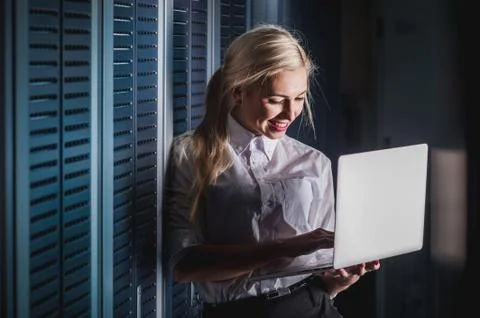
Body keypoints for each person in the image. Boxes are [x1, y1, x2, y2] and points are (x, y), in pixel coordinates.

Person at [164, 24, 380, 318]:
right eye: (276, 100)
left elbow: (321, 273)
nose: (290, 113)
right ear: (240, 91)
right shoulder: (192, 153)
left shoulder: (314, 162)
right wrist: (285, 247)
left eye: (300, 98)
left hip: (314, 307)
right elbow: (184, 265)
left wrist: (340, 280)